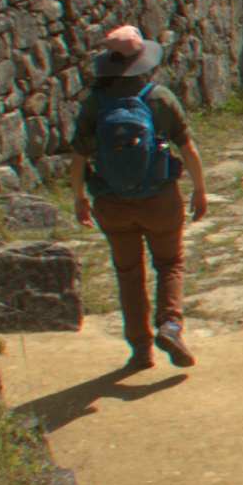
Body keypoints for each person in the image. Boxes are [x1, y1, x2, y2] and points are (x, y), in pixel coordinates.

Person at [71, 23, 208, 373]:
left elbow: (78, 158)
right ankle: (170, 326)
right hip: (159, 199)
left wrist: (80, 199)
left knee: (128, 273)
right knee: (170, 263)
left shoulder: (95, 105)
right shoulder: (159, 98)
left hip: (111, 202)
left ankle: (140, 350)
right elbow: (186, 147)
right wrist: (199, 189)